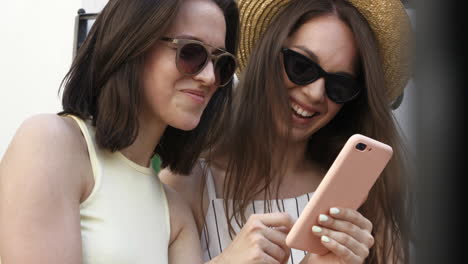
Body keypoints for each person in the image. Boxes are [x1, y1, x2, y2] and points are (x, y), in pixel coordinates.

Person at [160, 0, 412, 263]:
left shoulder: (364, 196)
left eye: (340, 85)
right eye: (301, 67)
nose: (315, 93)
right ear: (266, 54)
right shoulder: (189, 183)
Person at [0, 0, 239, 263]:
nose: (209, 77)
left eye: (221, 64)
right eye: (191, 53)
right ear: (133, 43)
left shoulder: (175, 213)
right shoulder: (51, 143)